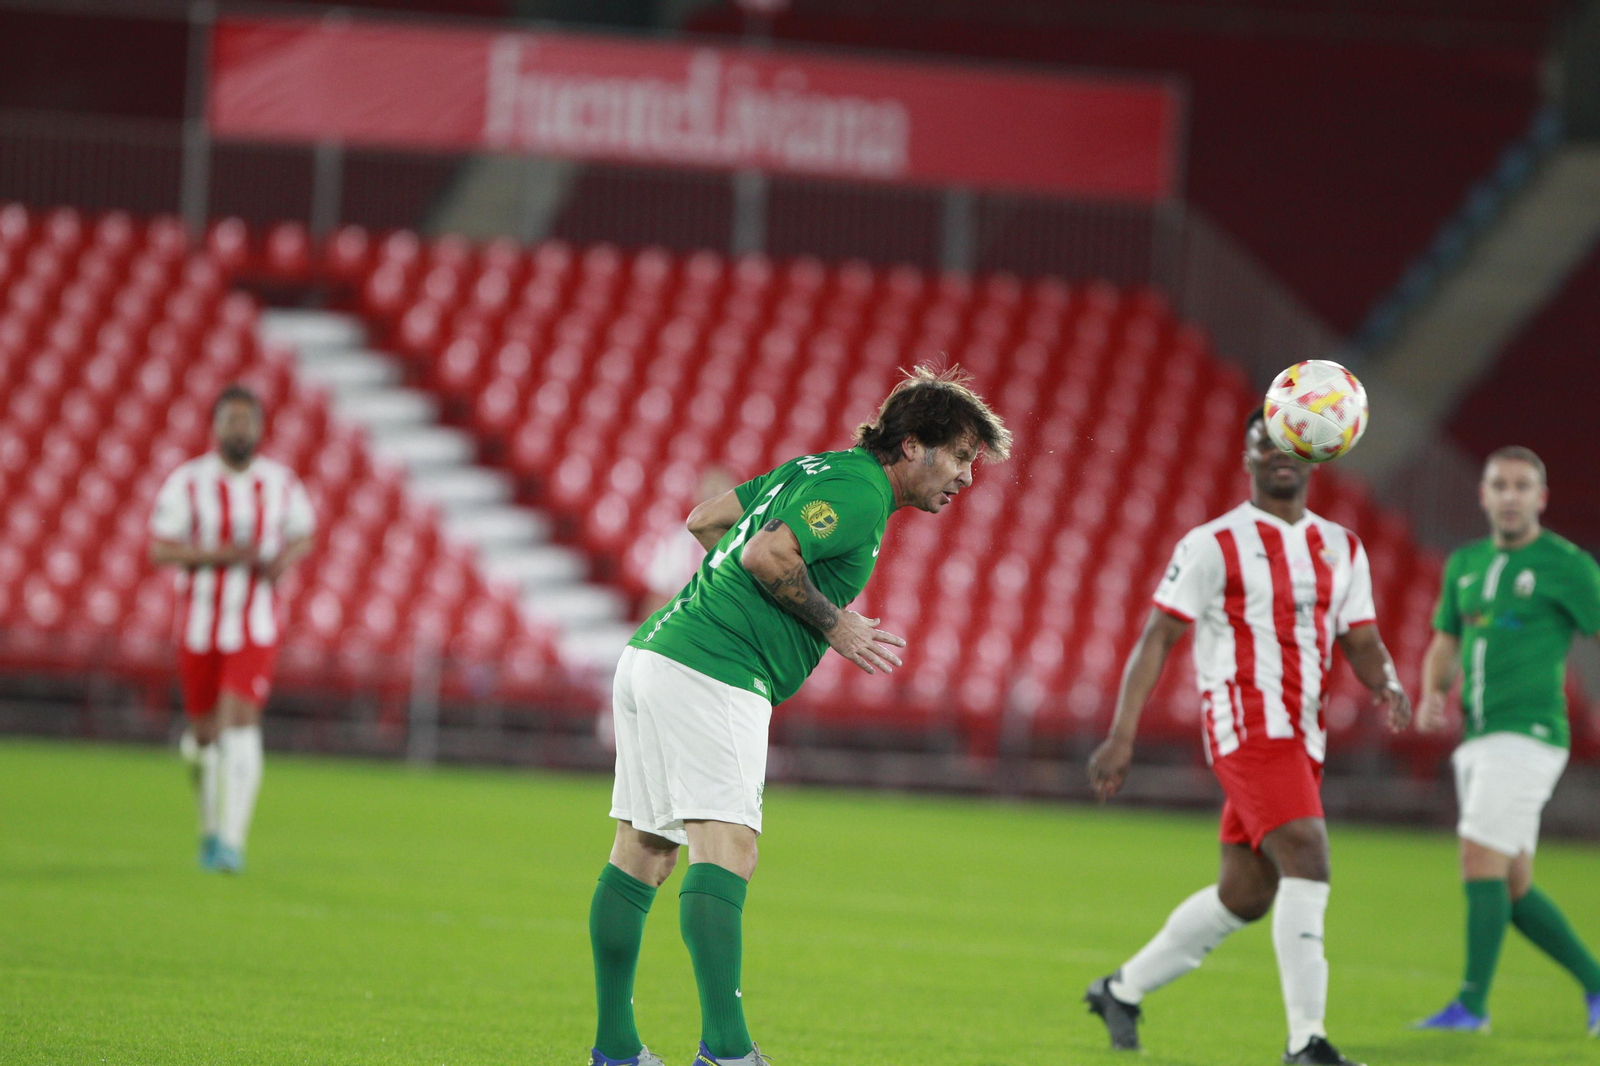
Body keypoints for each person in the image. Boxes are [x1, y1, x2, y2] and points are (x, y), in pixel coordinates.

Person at [586, 366, 1011, 1066]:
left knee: (643, 851)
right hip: (714, 670)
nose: (967, 476)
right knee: (728, 850)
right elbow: (765, 552)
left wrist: (742, 603)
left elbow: (707, 520)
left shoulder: (816, 469)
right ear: (912, 445)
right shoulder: (861, 490)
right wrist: (833, 623)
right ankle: (728, 1053)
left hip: (655, 654)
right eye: (961, 455)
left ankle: (615, 1051)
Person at [1084, 407, 1411, 1066]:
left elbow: (1361, 637)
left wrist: (1386, 682)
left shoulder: (1342, 547)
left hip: (1304, 733)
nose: (1279, 453)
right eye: (1266, 443)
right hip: (1246, 726)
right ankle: (1306, 1041)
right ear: (1247, 456)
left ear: (1313, 453)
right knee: (1309, 856)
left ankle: (1120, 990)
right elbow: (1158, 637)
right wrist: (1122, 735)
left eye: (1290, 442)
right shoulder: (1213, 543)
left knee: (1247, 894)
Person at [1412, 446, 1600, 1035]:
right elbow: (1446, 638)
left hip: (1530, 733)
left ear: (1541, 498)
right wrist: (1432, 691)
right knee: (1512, 885)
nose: (1510, 496)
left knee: (1479, 858)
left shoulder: (1567, 565)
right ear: (1484, 495)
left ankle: (1471, 1007)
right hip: (1479, 734)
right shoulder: (1465, 562)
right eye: (1500, 485)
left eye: (1522, 486)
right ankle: (1597, 985)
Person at [149, 385, 314, 873]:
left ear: (260, 428)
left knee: (240, 722)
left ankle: (232, 841)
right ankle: (208, 829)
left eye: (248, 421)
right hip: (199, 624)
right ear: (216, 427)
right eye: (231, 420)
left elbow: (305, 532)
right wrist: (218, 555)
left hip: (254, 623)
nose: (240, 429)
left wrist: (283, 560)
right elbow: (160, 548)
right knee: (202, 736)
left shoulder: (279, 483)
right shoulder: (189, 482)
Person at [639, 466, 737, 618]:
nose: (714, 499)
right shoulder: (674, 539)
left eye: (721, 493)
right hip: (683, 620)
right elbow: (658, 595)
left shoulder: (746, 539)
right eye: (709, 492)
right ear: (696, 496)